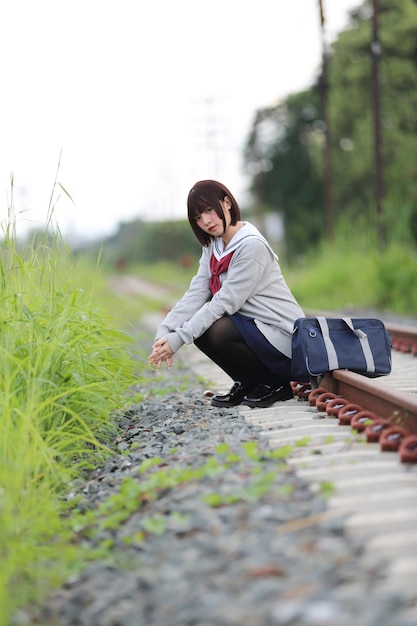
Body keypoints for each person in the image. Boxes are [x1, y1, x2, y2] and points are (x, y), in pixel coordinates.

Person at [148, 180, 305, 409]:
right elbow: (197, 292)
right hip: (254, 329)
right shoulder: (214, 246)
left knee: (219, 330)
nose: (206, 221)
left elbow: (224, 302)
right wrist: (166, 330)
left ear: (227, 203)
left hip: (282, 337)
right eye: (198, 217)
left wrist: (179, 339)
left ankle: (276, 384)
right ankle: (248, 382)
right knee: (201, 329)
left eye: (209, 210)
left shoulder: (251, 246)